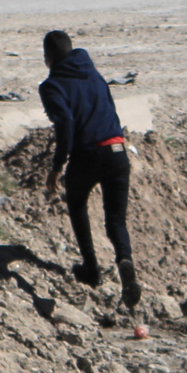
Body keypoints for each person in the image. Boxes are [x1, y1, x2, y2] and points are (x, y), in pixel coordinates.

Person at [38, 30, 140, 307]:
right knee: (116, 220)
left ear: (48, 58)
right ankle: (124, 260)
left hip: (87, 154)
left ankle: (91, 269)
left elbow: (66, 125)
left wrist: (58, 165)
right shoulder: (95, 75)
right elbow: (111, 109)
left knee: (77, 203)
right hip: (118, 151)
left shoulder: (52, 86)